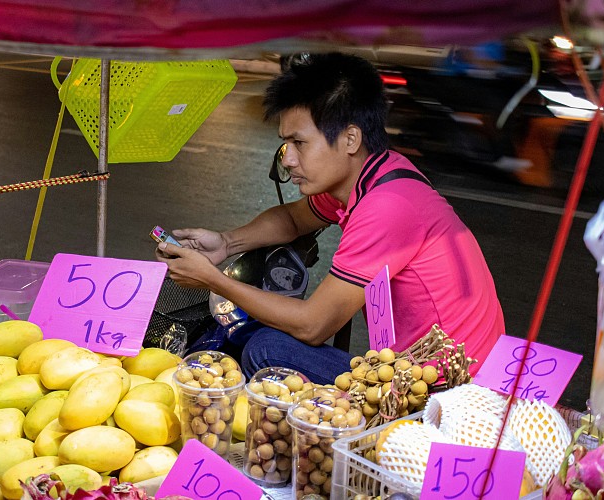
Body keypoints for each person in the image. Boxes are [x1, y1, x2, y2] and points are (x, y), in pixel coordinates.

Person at [156, 52, 504, 385]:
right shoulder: (375, 174)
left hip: (446, 390)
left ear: (350, 138)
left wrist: (214, 280)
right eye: (285, 144)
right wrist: (225, 243)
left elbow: (314, 325)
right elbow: (293, 220)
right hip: (407, 365)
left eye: (300, 143)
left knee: (267, 350)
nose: (289, 159)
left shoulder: (387, 207)